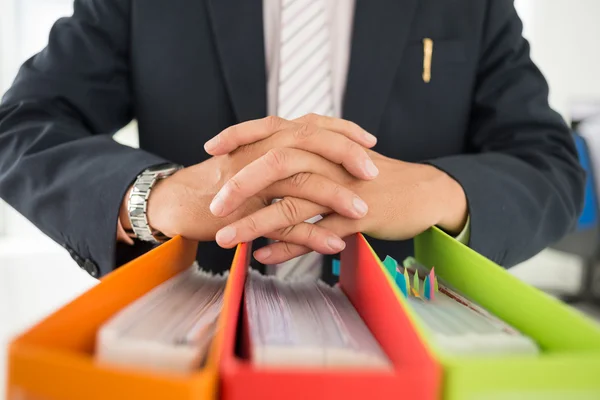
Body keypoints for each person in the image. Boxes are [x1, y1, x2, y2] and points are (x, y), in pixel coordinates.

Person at [0, 0, 584, 282]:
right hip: (189, 345)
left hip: (409, 350)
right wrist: (157, 195)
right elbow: (21, 124)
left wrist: (436, 191)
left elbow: (550, 165)